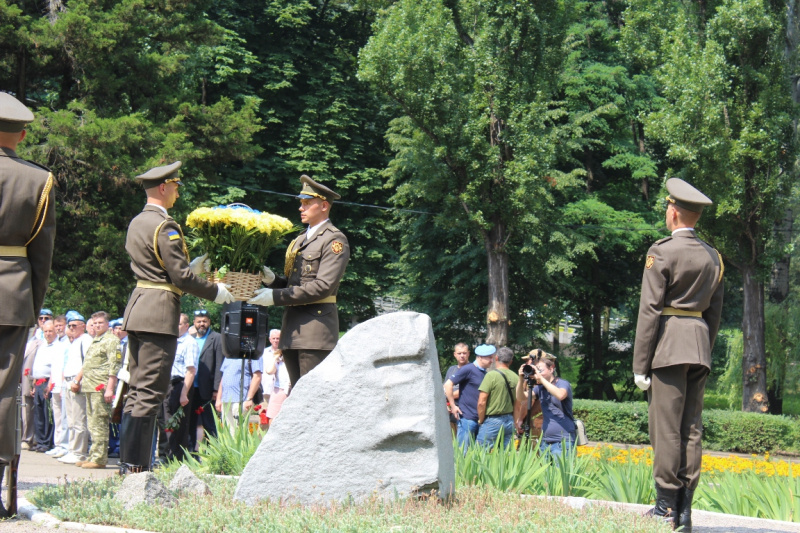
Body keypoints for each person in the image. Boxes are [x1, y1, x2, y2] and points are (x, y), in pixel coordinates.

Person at [119, 161, 235, 474]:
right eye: (175, 185)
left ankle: (128, 462)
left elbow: (161, 268)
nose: (178, 191)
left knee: (137, 388)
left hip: (139, 307)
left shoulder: (138, 222)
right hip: (158, 312)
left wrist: (190, 266)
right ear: (163, 187)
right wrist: (217, 291)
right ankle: (137, 467)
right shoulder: (166, 225)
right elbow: (180, 278)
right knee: (152, 391)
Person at [633, 178, 724, 530]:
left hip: (668, 347)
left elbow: (650, 311)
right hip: (699, 346)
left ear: (672, 211)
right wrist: (703, 349)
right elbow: (713, 313)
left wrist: (641, 364)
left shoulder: (663, 252)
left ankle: (665, 506)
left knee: (666, 428)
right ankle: (685, 509)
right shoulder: (712, 257)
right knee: (691, 427)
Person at [0, 92, 56, 517]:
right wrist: (32, 306)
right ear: (21, 134)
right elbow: (41, 254)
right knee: (3, 392)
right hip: (11, 296)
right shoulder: (38, 180)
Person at [247, 175, 350, 388]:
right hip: (292, 328)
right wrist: (272, 280)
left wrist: (275, 297)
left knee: (313, 399)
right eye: (300, 203)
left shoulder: (334, 239)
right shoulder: (300, 240)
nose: (300, 208)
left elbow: (323, 286)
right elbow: (293, 284)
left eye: (306, 203)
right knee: (296, 397)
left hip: (315, 329)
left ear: (323, 206)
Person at [74, 311, 120, 469]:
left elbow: (114, 366)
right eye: (94, 323)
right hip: (90, 386)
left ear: (107, 324)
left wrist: (110, 388)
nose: (97, 325)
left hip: (100, 387)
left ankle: (100, 458)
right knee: (92, 424)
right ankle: (93, 455)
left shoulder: (111, 340)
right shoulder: (96, 340)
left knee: (100, 423)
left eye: (100, 322)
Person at [516, 354, 575, 458]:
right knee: (546, 473)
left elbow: (560, 395)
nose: (538, 373)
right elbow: (521, 397)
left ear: (551, 369)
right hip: (545, 441)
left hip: (562, 441)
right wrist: (521, 379)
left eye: (541, 370)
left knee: (560, 473)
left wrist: (541, 379)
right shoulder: (540, 388)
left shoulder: (562, 383)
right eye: (536, 370)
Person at [160, 313, 198, 461]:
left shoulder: (189, 342)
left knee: (177, 425)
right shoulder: (171, 341)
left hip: (180, 385)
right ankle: (166, 455)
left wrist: (184, 393)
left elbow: (191, 370)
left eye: (179, 323)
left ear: (186, 326)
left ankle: (176, 458)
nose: (175, 326)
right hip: (167, 385)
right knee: (165, 422)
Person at [444, 344, 495, 450]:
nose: (492, 360)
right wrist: (452, 406)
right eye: (489, 357)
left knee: (475, 455)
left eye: (464, 353)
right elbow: (448, 385)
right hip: (467, 418)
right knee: (462, 454)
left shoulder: (483, 373)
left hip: (479, 420)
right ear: (481, 357)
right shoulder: (469, 369)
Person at [189, 309, 225, 451]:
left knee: (209, 424)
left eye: (204, 321)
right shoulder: (190, 338)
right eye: (199, 321)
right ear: (194, 323)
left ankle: (213, 453)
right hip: (191, 388)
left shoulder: (217, 338)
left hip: (207, 389)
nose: (202, 324)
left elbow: (219, 365)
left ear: (209, 322)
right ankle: (192, 454)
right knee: (191, 423)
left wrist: (216, 389)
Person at [59, 311, 92, 465]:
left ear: (83, 327)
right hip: (69, 382)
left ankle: (79, 452)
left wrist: (78, 381)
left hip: (77, 382)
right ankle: (72, 449)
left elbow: (87, 364)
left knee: (79, 420)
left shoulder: (85, 340)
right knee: (71, 419)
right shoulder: (73, 341)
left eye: (74, 325)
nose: (71, 328)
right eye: (69, 325)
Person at [476, 346, 518, 449]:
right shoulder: (516, 378)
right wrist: (515, 423)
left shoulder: (491, 375)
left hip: (492, 420)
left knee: (482, 453)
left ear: (496, 358)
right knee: (507, 455)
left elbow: (482, 402)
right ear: (511, 362)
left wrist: (481, 420)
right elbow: (518, 405)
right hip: (510, 420)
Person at [215, 356, 263, 436]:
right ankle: (229, 449)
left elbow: (257, 376)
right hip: (226, 399)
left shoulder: (253, 354)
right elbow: (224, 377)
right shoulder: (229, 355)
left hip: (241, 400)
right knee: (228, 434)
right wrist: (218, 399)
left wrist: (249, 398)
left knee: (240, 433)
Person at [30, 319, 58, 452]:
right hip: (39, 382)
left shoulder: (57, 346)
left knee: (48, 415)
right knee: (39, 414)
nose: (48, 334)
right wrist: (34, 385)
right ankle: (40, 441)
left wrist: (50, 385)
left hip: (48, 383)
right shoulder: (42, 346)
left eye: (50, 331)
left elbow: (55, 367)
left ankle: (47, 442)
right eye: (45, 331)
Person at [443, 343, 470, 435]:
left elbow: (465, 391)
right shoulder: (451, 369)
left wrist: (449, 395)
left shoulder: (472, 369)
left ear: (468, 354)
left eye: (464, 353)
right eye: (459, 353)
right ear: (455, 354)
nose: (462, 356)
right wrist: (445, 403)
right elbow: (444, 388)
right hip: (450, 412)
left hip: (465, 413)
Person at [263, 330, 290, 422]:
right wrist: (275, 358)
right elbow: (269, 371)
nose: (276, 341)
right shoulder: (276, 356)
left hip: (289, 390)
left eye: (278, 339)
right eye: (273, 338)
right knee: (271, 419)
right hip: (277, 390)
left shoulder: (291, 355)